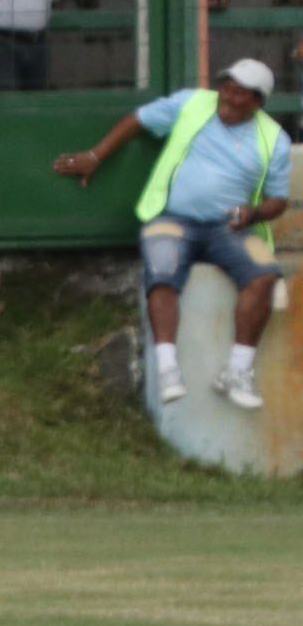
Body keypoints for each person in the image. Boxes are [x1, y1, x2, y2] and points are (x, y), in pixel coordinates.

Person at [55, 59, 290, 410]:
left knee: (265, 273)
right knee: (162, 269)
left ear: (257, 101)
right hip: (173, 219)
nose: (226, 95)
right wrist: (95, 155)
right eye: (225, 85)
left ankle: (237, 372)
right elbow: (138, 120)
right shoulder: (192, 103)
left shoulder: (274, 138)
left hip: (231, 227)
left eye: (238, 92)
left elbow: (278, 201)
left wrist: (253, 213)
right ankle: (168, 368)